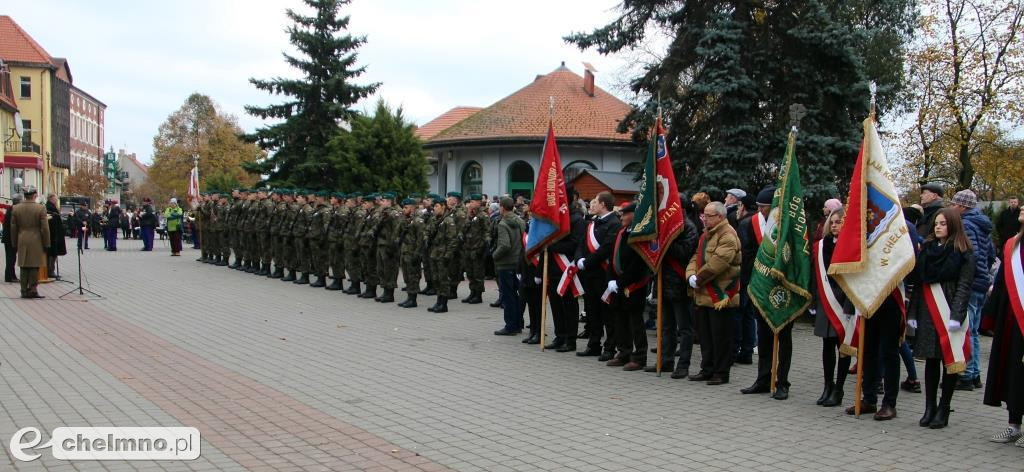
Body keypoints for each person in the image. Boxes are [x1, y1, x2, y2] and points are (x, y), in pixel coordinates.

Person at [907, 208, 975, 429]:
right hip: (928, 308)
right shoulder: (927, 249)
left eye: (943, 223)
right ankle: (929, 406)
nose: (938, 226)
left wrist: (957, 315)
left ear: (953, 225)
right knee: (931, 358)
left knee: (950, 361)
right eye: (936, 223)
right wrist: (913, 313)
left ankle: (944, 408)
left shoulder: (963, 251)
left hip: (950, 306)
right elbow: (919, 283)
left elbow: (965, 286)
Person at [686, 201, 741, 385]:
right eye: (704, 215)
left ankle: (721, 372)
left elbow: (719, 262)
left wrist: (699, 279)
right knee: (706, 336)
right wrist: (691, 275)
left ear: (720, 216)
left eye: (709, 215)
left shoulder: (728, 235)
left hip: (720, 295)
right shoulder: (706, 235)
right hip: (703, 294)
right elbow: (696, 256)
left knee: (720, 337)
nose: (704, 218)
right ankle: (707, 368)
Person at [983, 207, 1024, 446]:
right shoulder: (1012, 245)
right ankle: (1013, 425)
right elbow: (1000, 284)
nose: (1021, 207)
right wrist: (989, 318)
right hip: (1011, 319)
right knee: (1012, 371)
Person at [646, 197, 699, 376]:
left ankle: (683, 365)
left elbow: (684, 253)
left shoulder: (689, 227)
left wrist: (665, 241)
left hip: (679, 284)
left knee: (684, 329)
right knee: (666, 326)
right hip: (664, 283)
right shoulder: (665, 226)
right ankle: (665, 361)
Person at [951, 189, 996, 391]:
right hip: (982, 282)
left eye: (954, 204)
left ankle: (967, 374)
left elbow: (972, 255)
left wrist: (967, 279)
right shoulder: (982, 225)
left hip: (971, 283)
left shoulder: (966, 224)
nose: (952, 207)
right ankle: (976, 373)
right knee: (975, 331)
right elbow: (990, 255)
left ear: (962, 206)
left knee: (966, 329)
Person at [812, 207, 855, 407]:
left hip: (844, 300)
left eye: (840, 222)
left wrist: (850, 306)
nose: (835, 225)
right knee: (826, 345)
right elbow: (816, 274)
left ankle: (839, 388)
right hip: (826, 299)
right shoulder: (822, 245)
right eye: (833, 221)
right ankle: (827, 385)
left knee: (843, 347)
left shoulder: (852, 245)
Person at [575, 192, 623, 359]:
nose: (591, 205)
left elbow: (606, 248)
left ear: (603, 204)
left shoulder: (614, 224)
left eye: (595, 202)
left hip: (604, 274)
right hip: (589, 274)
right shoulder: (592, 222)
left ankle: (610, 348)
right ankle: (594, 344)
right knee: (592, 310)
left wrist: (586, 262)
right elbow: (582, 243)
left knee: (607, 312)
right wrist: (579, 258)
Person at [604, 202, 652, 370]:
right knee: (620, 320)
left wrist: (620, 282)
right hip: (617, 284)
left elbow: (637, 265)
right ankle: (623, 352)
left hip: (634, 285)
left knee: (635, 322)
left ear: (634, 215)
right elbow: (613, 256)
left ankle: (639, 357)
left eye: (626, 214)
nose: (622, 217)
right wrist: (611, 279)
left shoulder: (640, 234)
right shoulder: (621, 233)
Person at [492, 196, 526, 335]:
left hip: (505, 264)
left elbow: (504, 245)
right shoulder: (520, 220)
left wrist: (494, 256)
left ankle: (510, 326)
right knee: (516, 295)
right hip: (518, 262)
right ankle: (518, 323)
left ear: (502, 207)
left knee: (508, 296)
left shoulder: (503, 223)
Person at [9, 187, 50, 298]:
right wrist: (47, 243)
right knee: (34, 265)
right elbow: (45, 228)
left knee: (23, 265)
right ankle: (32, 290)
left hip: (22, 238)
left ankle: (23, 290)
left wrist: (14, 242)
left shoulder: (16, 208)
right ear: (34, 195)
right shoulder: (40, 208)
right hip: (36, 239)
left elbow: (13, 227)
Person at [397, 197, 425, 307]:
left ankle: (413, 299)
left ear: (412, 208)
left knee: (413, 276)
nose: (403, 209)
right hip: (405, 252)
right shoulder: (406, 219)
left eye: (406, 207)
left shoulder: (418, 221)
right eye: (403, 207)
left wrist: (417, 253)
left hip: (413, 253)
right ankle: (409, 297)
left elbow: (420, 239)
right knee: (407, 276)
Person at [3, 195, 22, 282]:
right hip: (11, 238)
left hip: (8, 238)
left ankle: (11, 275)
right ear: (18, 201)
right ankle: (9, 277)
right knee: (11, 257)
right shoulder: (13, 210)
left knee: (11, 257)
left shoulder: (10, 209)